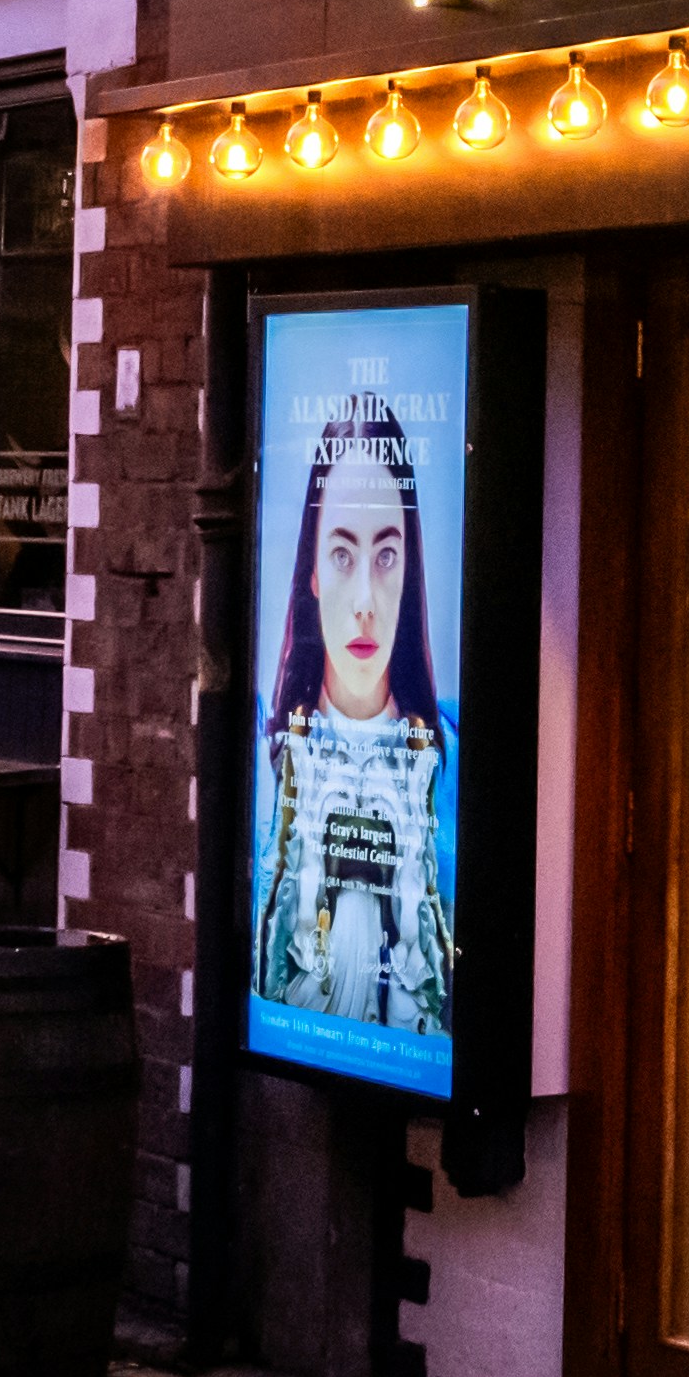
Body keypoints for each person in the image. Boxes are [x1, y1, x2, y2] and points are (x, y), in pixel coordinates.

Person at [248, 390, 458, 1041]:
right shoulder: (267, 753)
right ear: (311, 570)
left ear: (409, 570)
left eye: (386, 556)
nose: (365, 600)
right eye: (341, 554)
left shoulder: (449, 758)